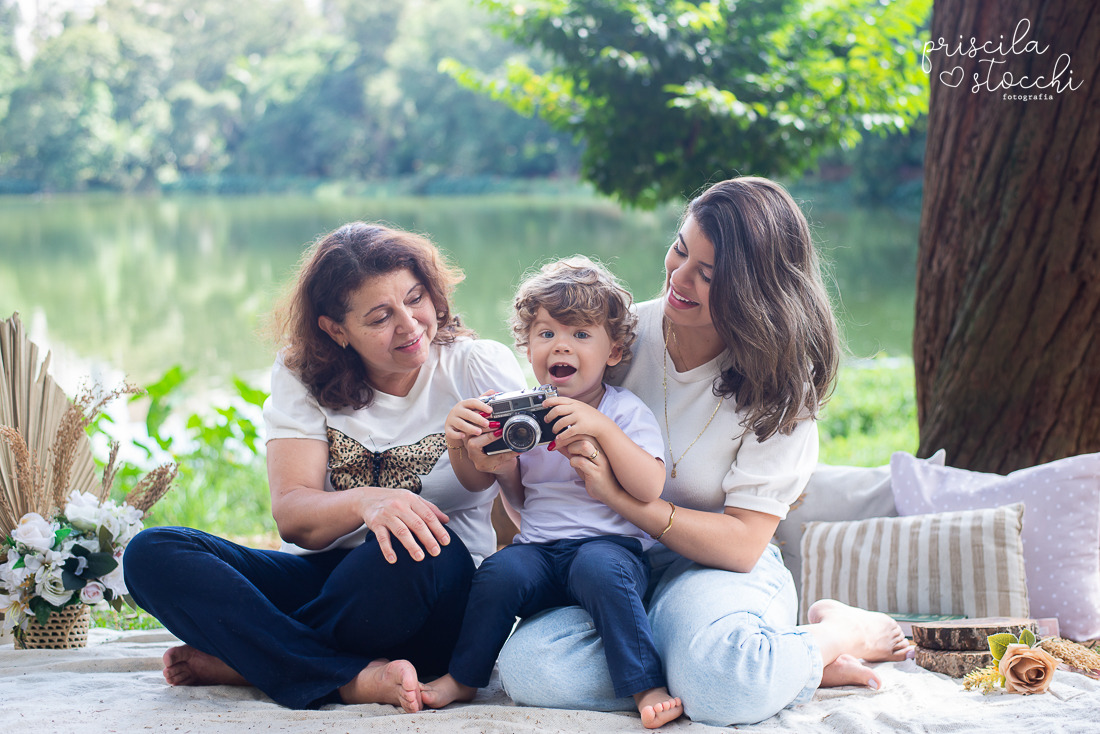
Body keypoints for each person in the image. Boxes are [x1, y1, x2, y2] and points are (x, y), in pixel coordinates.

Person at [492, 178, 912, 726]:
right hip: (608, 567)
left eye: (707, 274)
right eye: (681, 249)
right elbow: (541, 499)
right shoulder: (612, 338)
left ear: (755, 291)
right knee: (531, 669)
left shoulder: (781, 386)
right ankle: (733, 659)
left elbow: (740, 545)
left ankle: (832, 634)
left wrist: (620, 498)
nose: (679, 277)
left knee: (725, 690)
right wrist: (497, 464)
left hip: (716, 568)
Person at [123, 222, 525, 713]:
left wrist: (499, 465)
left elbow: (520, 498)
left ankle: (255, 659)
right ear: (336, 330)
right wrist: (367, 500)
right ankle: (344, 677)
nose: (410, 324)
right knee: (152, 552)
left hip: (436, 589)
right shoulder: (301, 374)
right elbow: (294, 521)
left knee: (413, 545)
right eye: (380, 317)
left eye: (416, 298)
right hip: (336, 584)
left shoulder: (476, 365)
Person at [421, 257, 684, 728]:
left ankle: (646, 683)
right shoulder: (524, 414)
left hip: (609, 550)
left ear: (614, 352)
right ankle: (464, 676)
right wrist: (465, 446)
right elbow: (495, 486)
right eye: (546, 334)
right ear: (528, 347)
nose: (561, 345)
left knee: (599, 568)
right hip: (539, 550)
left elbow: (649, 487)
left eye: (580, 334)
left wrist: (601, 428)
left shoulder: (623, 412)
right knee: (500, 571)